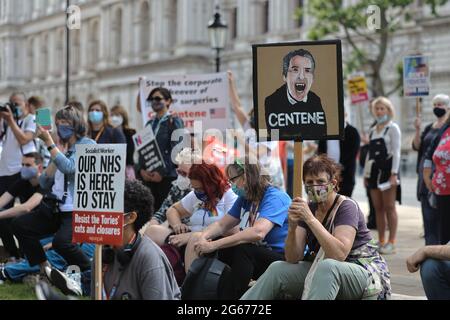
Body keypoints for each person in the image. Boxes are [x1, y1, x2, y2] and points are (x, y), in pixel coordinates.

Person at [241, 154, 391, 300]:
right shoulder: (308, 208)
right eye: (310, 182)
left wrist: (311, 220)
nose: (315, 186)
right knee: (278, 268)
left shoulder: (346, 207)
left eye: (320, 181)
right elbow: (293, 257)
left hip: (363, 273)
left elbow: (339, 254)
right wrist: (292, 228)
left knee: (328, 267)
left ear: (333, 183)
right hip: (321, 270)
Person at [11, 105, 95, 280]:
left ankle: (91, 272)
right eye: (58, 123)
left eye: (65, 122)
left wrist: (50, 144)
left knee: (61, 243)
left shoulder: (87, 144)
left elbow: (70, 167)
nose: (60, 126)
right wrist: (54, 153)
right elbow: (44, 181)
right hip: (56, 207)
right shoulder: (61, 148)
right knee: (21, 225)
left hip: (75, 209)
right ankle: (44, 268)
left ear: (76, 124)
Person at [188, 158, 291, 299]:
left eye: (233, 180)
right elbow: (221, 225)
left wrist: (213, 245)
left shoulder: (275, 197)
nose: (232, 186)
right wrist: (203, 238)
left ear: (247, 176)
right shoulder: (246, 198)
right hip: (258, 254)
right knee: (221, 245)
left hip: (282, 258)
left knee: (243, 249)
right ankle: (195, 293)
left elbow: (258, 232)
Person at [88, 180, 181, 300]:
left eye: (109, 209)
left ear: (130, 217)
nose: (101, 215)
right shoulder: (102, 251)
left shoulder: (150, 258)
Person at [145, 161, 238, 269]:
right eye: (194, 188)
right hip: (188, 235)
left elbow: (231, 230)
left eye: (199, 189)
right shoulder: (196, 195)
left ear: (210, 183)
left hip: (212, 242)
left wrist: (190, 236)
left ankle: (189, 284)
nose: (196, 192)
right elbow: (173, 210)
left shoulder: (229, 195)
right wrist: (177, 225)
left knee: (195, 238)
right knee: (153, 231)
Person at [228, 71, 285, 190]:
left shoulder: (272, 131)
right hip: (255, 177)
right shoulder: (249, 127)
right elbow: (237, 106)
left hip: (270, 180)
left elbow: (256, 154)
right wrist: (230, 83)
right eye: (254, 114)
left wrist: (240, 139)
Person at [0, 92, 37, 260]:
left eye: (18, 103)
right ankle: (13, 254)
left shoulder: (31, 119)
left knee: (24, 217)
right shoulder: (6, 121)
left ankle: (26, 254)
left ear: (26, 104)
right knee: (2, 215)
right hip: (4, 171)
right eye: (12, 103)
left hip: (21, 171)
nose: (14, 107)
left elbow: (24, 139)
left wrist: (10, 120)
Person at [364, 97, 401, 254]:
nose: (379, 111)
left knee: (389, 207)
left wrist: (394, 174)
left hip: (388, 172)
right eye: (377, 108)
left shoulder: (393, 128)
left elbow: (397, 151)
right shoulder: (373, 130)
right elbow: (369, 154)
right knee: (377, 208)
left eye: (382, 108)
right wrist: (366, 174)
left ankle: (392, 241)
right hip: (373, 172)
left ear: (388, 110)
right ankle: (380, 240)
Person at [137, 87, 184, 212]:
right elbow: (143, 150)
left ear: (168, 101)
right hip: (148, 178)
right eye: (151, 99)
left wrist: (162, 172)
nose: (154, 101)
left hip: (167, 178)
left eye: (158, 98)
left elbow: (177, 150)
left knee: (164, 214)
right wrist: (141, 170)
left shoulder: (174, 121)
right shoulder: (149, 124)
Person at [264, 49, 327, 140]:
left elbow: (322, 133)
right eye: (295, 70)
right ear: (285, 76)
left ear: (313, 78)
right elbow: (273, 136)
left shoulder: (316, 100)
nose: (301, 76)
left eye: (307, 70)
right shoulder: (272, 101)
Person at [412, 94, 449, 245]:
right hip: (425, 178)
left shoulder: (447, 130)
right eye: (435, 104)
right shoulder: (429, 128)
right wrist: (417, 129)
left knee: (441, 220)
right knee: (428, 218)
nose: (437, 107)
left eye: (441, 104)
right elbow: (417, 147)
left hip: (441, 181)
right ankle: (430, 250)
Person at [147, 148, 201, 226]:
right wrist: (153, 224)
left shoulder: (201, 194)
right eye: (179, 171)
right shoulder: (176, 188)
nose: (181, 176)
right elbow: (161, 213)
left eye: (184, 173)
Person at [423, 111, 450, 245]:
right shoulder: (445, 130)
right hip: (441, 190)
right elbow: (429, 154)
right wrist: (427, 176)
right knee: (443, 232)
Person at [318, 111, 360, 197]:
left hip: (345, 177)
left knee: (343, 204)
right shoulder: (325, 131)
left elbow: (352, 155)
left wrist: (337, 170)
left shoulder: (352, 132)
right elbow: (321, 152)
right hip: (326, 175)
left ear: (345, 114)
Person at [0, 153, 45, 222]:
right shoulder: (22, 182)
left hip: (44, 221)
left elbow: (27, 207)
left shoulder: (45, 183)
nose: (24, 168)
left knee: (15, 220)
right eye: (22, 165)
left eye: (28, 165)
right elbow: (3, 200)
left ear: (40, 168)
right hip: (28, 219)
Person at [110, 105, 137, 180]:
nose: (114, 118)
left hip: (126, 169)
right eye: (112, 115)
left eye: (117, 115)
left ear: (123, 117)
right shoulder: (108, 133)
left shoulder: (130, 132)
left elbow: (129, 152)